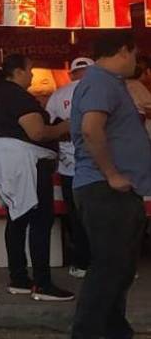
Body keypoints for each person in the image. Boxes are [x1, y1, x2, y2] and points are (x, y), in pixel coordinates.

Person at [67, 31, 151, 339]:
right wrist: (112, 173)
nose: (136, 62)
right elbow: (91, 129)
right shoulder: (100, 81)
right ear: (123, 51)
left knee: (122, 268)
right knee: (107, 267)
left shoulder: (110, 84)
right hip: (104, 188)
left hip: (121, 190)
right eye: (135, 54)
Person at [0, 54, 72, 302]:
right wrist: (64, 127)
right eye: (30, 70)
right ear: (18, 72)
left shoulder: (3, 94)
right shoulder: (16, 95)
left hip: (16, 161)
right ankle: (42, 283)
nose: (32, 75)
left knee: (18, 218)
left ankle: (19, 278)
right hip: (26, 163)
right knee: (40, 220)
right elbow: (37, 132)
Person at [46, 57, 94, 278]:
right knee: (106, 216)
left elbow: (48, 127)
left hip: (70, 166)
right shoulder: (106, 90)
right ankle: (112, 265)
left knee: (76, 217)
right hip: (101, 164)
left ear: (72, 73)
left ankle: (82, 264)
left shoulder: (58, 95)